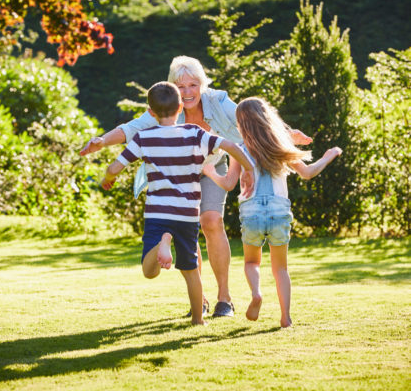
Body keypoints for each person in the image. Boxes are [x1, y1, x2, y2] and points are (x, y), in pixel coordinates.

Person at [81, 55, 312, 317]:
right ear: (173, 88)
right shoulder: (168, 105)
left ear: (202, 84)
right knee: (188, 229)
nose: (187, 92)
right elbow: (132, 128)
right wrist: (102, 141)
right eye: (181, 86)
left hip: (213, 166)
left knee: (211, 220)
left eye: (193, 85)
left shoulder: (218, 101)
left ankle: (224, 298)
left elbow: (253, 118)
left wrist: (286, 133)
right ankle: (198, 299)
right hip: (180, 173)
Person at [100, 81, 254, 325]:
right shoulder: (194, 133)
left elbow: (114, 167)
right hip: (186, 213)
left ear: (150, 112)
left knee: (149, 272)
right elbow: (230, 145)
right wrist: (247, 167)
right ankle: (197, 321)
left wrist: (107, 178)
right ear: (180, 106)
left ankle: (163, 241)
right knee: (190, 269)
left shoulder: (144, 138)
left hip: (157, 212)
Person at [203, 97, 342, 328]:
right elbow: (307, 173)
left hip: (252, 212)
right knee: (281, 269)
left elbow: (228, 183)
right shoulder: (279, 146)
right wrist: (328, 156)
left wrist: (210, 173)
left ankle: (256, 294)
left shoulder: (238, 150)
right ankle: (285, 317)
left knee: (251, 262)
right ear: (267, 118)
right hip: (279, 210)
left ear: (240, 124)